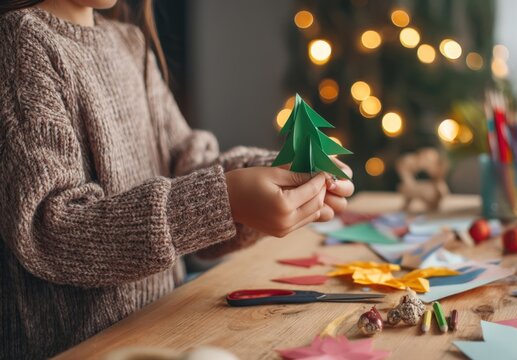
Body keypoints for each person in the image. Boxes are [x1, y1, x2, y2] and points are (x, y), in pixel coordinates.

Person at [0, 0, 354, 358]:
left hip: (162, 331)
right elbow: (51, 231)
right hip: (81, 349)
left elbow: (187, 164)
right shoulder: (20, 41)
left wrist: (277, 173)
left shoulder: (130, 44)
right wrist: (224, 200)